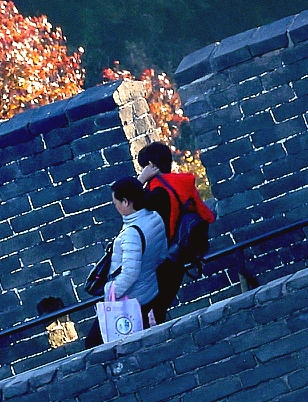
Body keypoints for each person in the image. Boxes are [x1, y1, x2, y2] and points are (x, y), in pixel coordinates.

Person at [138, 138, 217, 311]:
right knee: (159, 311)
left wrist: (140, 180)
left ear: (150, 166)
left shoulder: (156, 192)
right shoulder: (182, 185)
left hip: (159, 263)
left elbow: (127, 203)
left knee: (147, 316)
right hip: (179, 256)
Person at [90, 177, 167, 341]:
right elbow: (161, 255)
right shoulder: (154, 217)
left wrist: (109, 290)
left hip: (130, 300)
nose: (115, 206)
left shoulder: (132, 232)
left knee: (95, 342)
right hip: (149, 291)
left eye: (116, 202)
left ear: (125, 202)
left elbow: (130, 274)